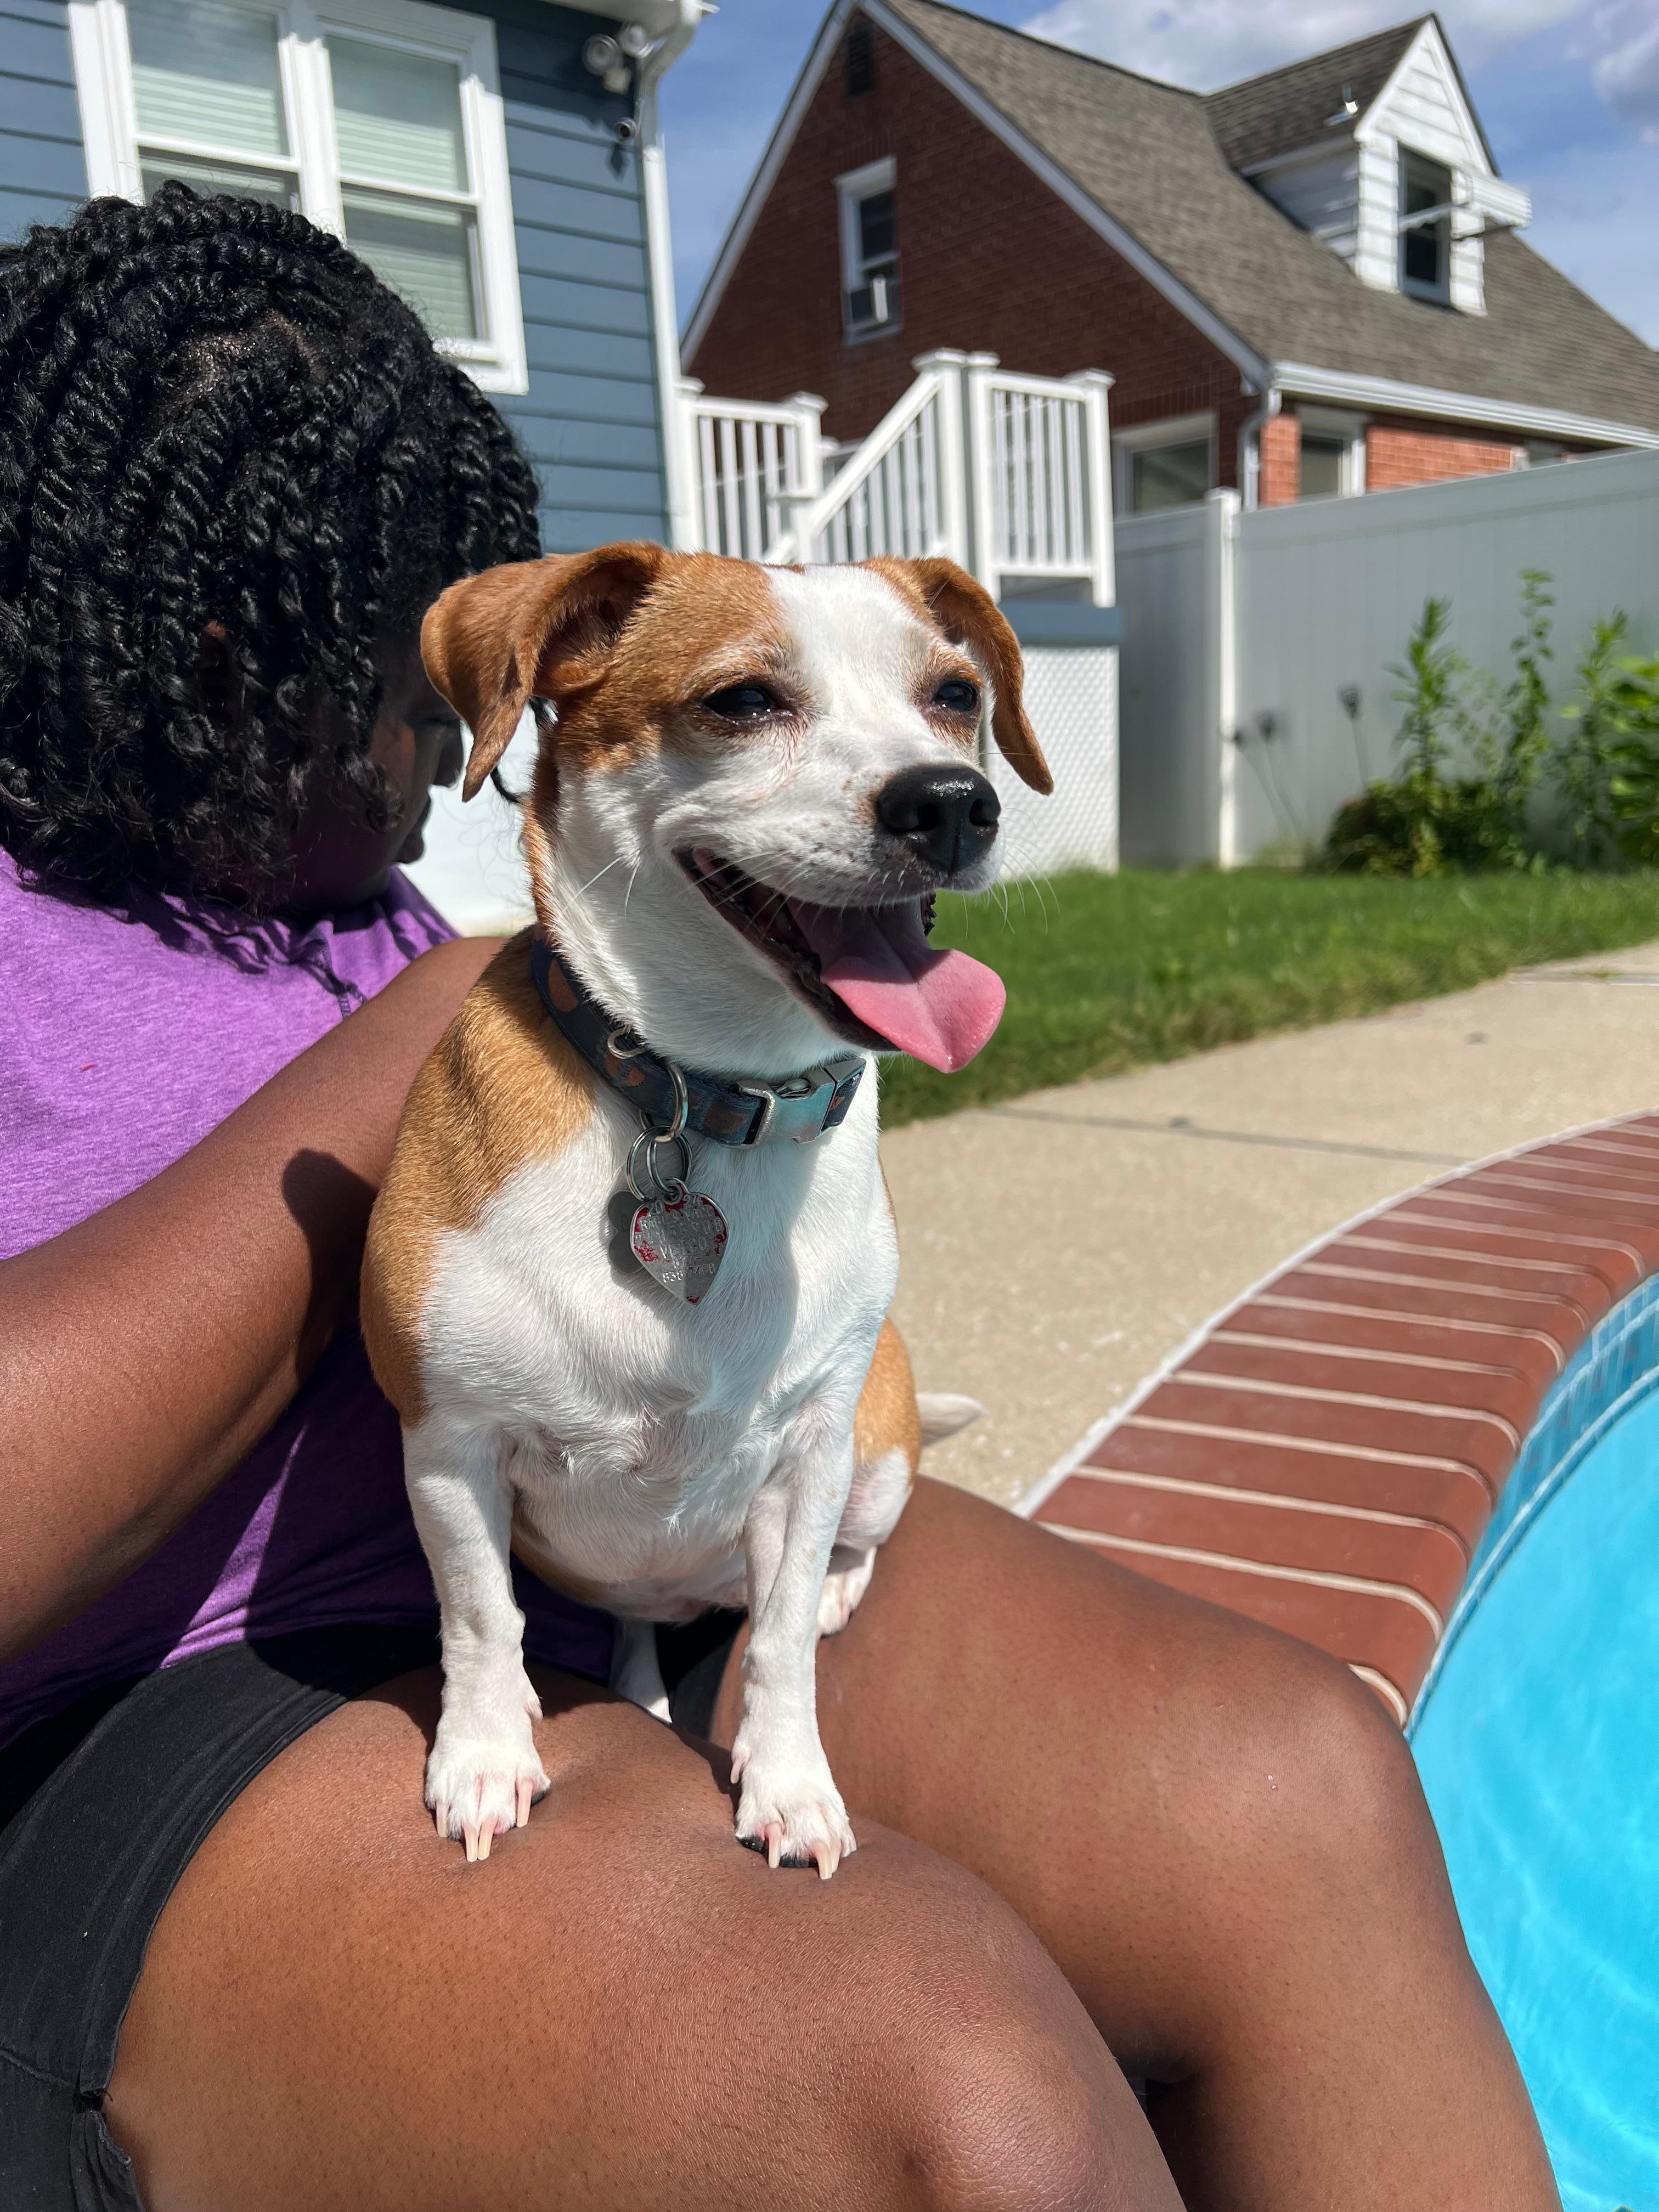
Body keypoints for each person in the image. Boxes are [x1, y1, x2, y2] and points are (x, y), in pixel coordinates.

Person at [0, 187, 1558, 2212]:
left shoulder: (359, 901)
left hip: (635, 1549)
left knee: (1300, 1778)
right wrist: (440, 1041)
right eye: (385, 650)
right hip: (153, 1705)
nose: (463, 726)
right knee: (951, 2105)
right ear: (190, 639)